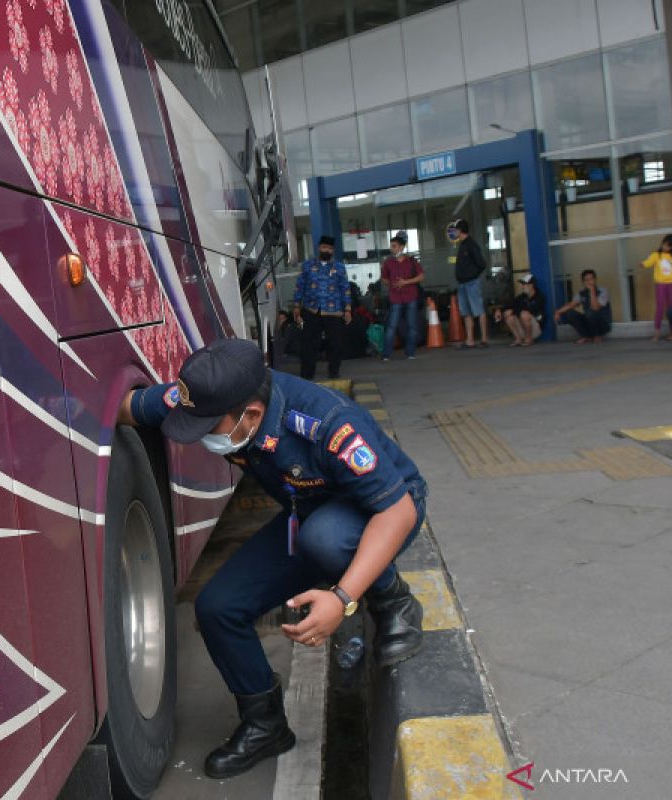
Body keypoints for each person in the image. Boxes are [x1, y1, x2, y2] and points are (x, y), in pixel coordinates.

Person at [117, 338, 427, 780]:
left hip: (383, 508)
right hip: (308, 515)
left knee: (325, 539)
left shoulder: (328, 425)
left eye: (206, 427)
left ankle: (394, 601)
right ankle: (266, 725)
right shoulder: (209, 400)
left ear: (253, 415)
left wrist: (341, 598)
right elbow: (125, 406)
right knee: (217, 608)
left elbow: (397, 511)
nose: (199, 435)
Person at [293, 235, 351, 380]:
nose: (327, 250)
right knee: (309, 345)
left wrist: (348, 309)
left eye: (330, 249)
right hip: (311, 310)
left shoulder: (339, 267)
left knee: (336, 344)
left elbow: (345, 288)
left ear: (333, 251)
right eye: (324, 247)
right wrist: (296, 306)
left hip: (334, 311)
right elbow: (300, 286)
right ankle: (307, 376)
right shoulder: (308, 266)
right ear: (319, 248)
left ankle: (333, 372)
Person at [380, 231, 424, 361]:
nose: (392, 249)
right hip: (395, 298)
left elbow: (421, 276)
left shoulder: (411, 261)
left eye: (394, 246)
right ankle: (386, 354)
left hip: (410, 297)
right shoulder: (388, 263)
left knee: (412, 326)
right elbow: (384, 278)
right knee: (392, 326)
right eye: (391, 246)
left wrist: (406, 282)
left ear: (401, 247)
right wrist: (391, 284)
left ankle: (410, 353)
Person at [448, 218, 489, 348]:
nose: (454, 232)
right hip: (462, 284)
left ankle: (484, 339)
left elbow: (481, 264)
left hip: (471, 283)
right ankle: (469, 340)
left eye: (455, 230)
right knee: (466, 312)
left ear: (460, 231)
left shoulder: (471, 245)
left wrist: (473, 276)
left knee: (478, 310)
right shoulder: (462, 245)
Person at [554, 269, 612, 343]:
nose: (589, 282)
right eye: (586, 280)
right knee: (570, 314)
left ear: (595, 280)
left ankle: (597, 335)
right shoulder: (582, 293)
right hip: (590, 322)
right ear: (583, 282)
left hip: (603, 324)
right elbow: (572, 304)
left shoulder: (603, 291)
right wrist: (558, 312)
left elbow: (595, 307)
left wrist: (592, 291)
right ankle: (586, 336)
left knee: (590, 312)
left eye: (591, 279)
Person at [638, 233, 672, 341]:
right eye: (664, 244)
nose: (665, 247)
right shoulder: (656, 255)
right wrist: (643, 264)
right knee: (660, 308)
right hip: (660, 284)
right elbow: (648, 262)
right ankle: (657, 334)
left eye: (668, 246)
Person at [495, 273, 545, 346]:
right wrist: (499, 310)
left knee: (524, 314)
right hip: (523, 327)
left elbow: (530, 310)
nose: (522, 287)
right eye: (522, 284)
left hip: (535, 329)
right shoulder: (522, 297)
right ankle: (518, 339)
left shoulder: (539, 297)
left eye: (524, 284)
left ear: (531, 285)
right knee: (507, 312)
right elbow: (511, 304)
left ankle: (529, 339)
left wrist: (514, 311)